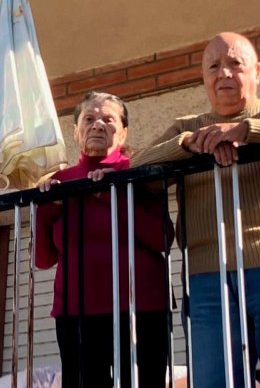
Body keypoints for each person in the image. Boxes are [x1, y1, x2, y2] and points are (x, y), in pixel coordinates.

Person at [133, 32, 260, 388]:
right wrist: (192, 145)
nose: (223, 73)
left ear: (257, 71)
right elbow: (137, 170)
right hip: (209, 278)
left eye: (234, 64)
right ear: (204, 79)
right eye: (213, 66)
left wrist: (246, 131)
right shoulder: (187, 128)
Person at [34, 91, 171, 388]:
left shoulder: (138, 173)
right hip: (75, 313)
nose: (97, 125)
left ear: (122, 133)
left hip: (140, 308)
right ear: (76, 132)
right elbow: (43, 260)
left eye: (108, 119)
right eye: (89, 119)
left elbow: (163, 239)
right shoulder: (61, 182)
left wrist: (114, 195)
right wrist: (46, 209)